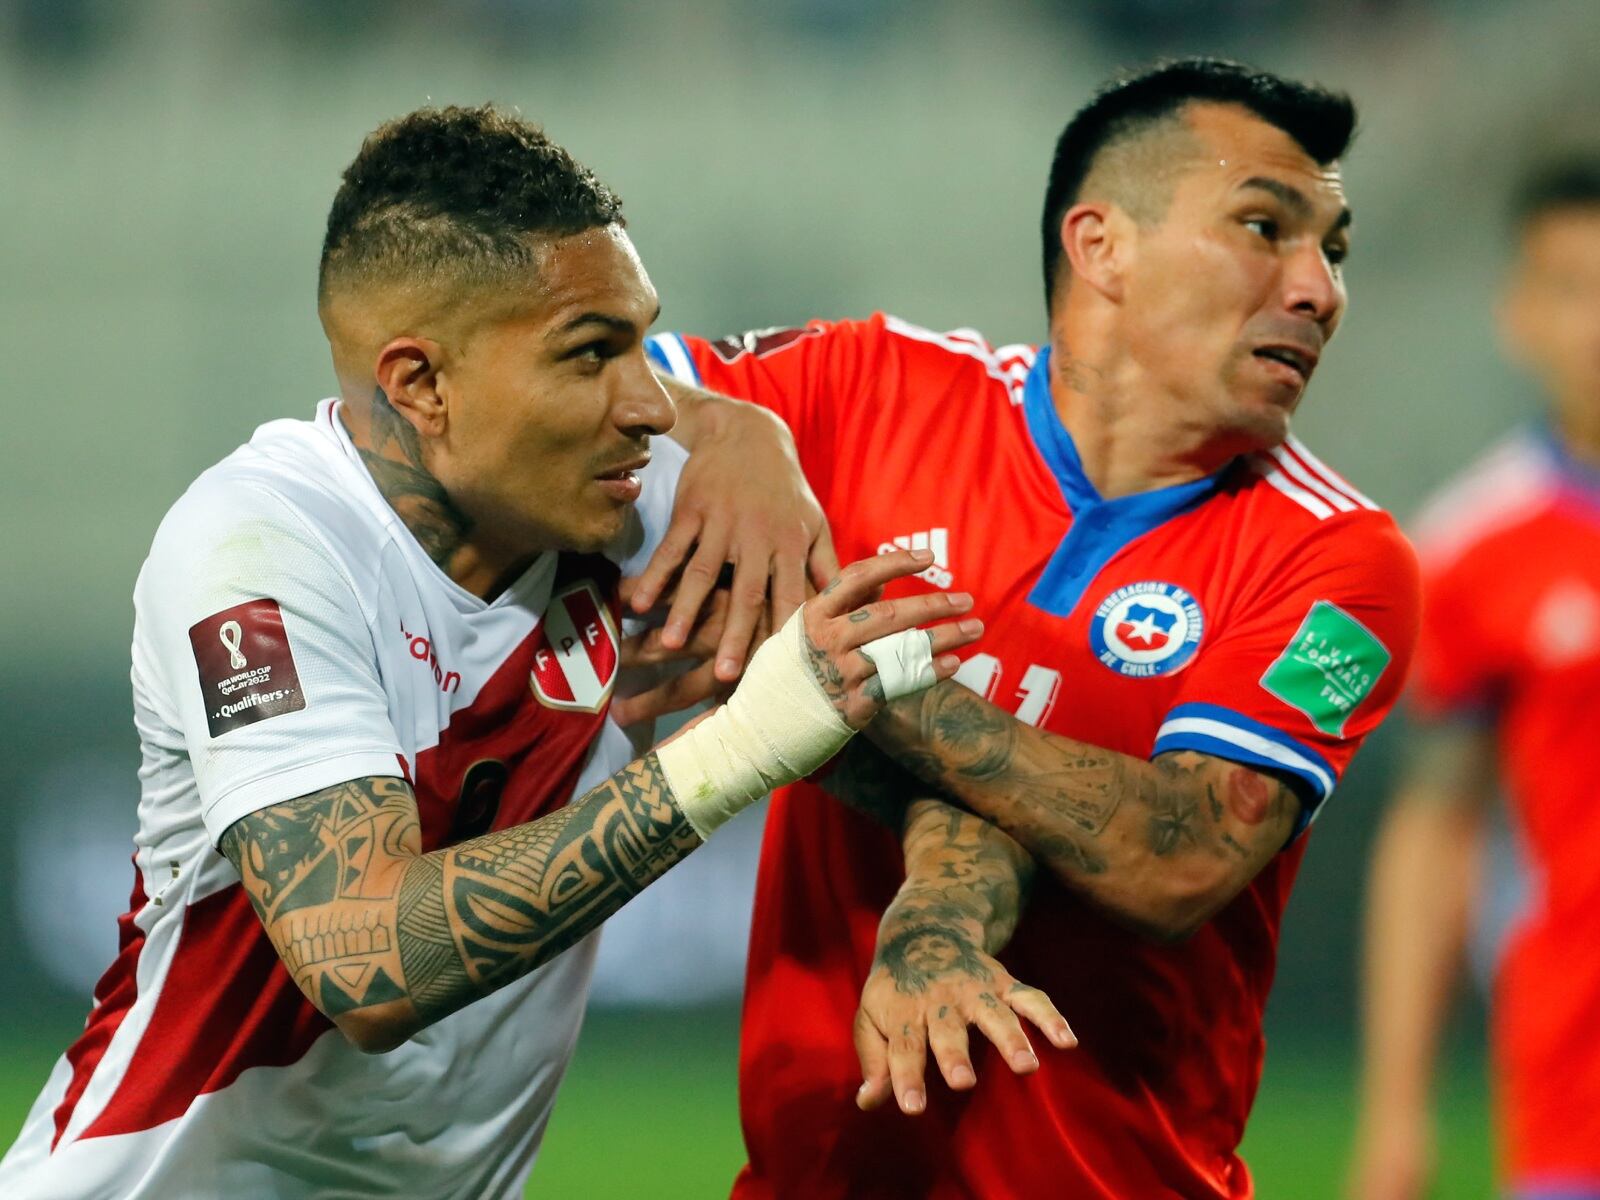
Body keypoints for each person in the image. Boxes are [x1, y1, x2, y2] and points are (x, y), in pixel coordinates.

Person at [0, 105, 983, 1200]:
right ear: (421, 385)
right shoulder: (254, 555)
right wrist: (736, 751)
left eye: (644, 342)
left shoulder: (654, 510)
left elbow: (913, 746)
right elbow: (364, 963)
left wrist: (935, 908)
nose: (652, 404)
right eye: (592, 355)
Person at [642, 58, 1421, 1198]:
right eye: (1265, 226)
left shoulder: (1338, 560)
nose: (1318, 289)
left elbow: (1177, 852)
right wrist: (722, 427)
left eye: (1335, 251)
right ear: (1099, 244)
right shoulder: (864, 391)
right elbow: (575, 406)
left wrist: (840, 668)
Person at [1349, 161, 1600, 1200]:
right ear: (1520, 315)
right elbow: (1433, 829)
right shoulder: (1470, 548)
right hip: (1573, 1089)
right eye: (1577, 288)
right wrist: (1395, 1113)